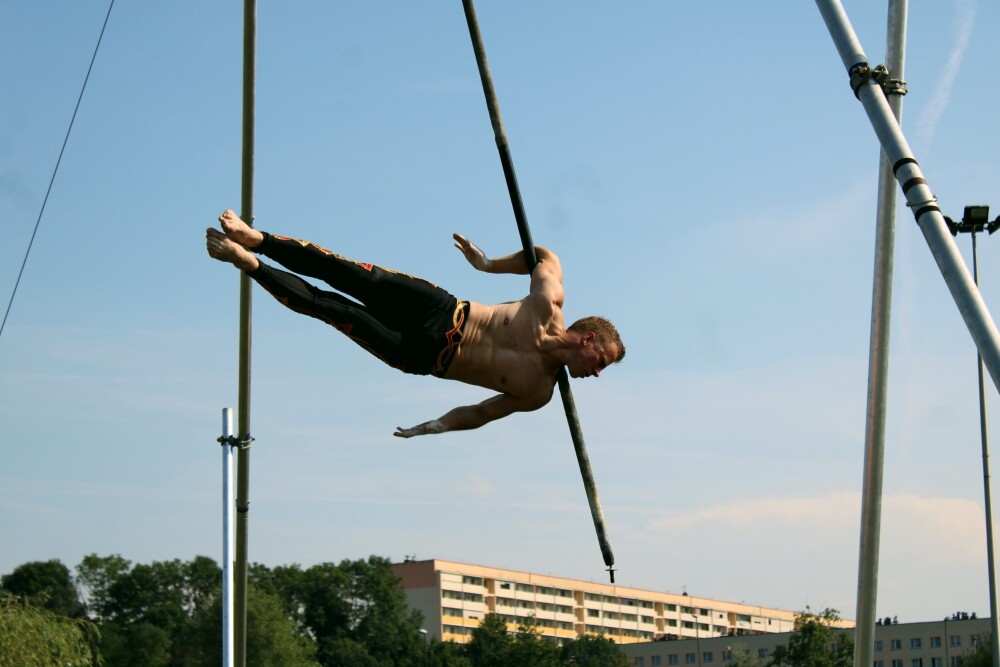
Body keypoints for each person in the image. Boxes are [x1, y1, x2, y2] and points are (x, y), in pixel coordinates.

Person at [205, 209, 625, 438]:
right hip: (442, 310)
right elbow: (544, 256)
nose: (596, 373)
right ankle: (257, 239)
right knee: (348, 273)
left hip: (422, 355)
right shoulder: (547, 303)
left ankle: (249, 263)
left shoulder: (538, 392)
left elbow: (482, 412)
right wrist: (487, 265)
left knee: (336, 310)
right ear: (588, 338)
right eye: (601, 361)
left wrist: (435, 426)